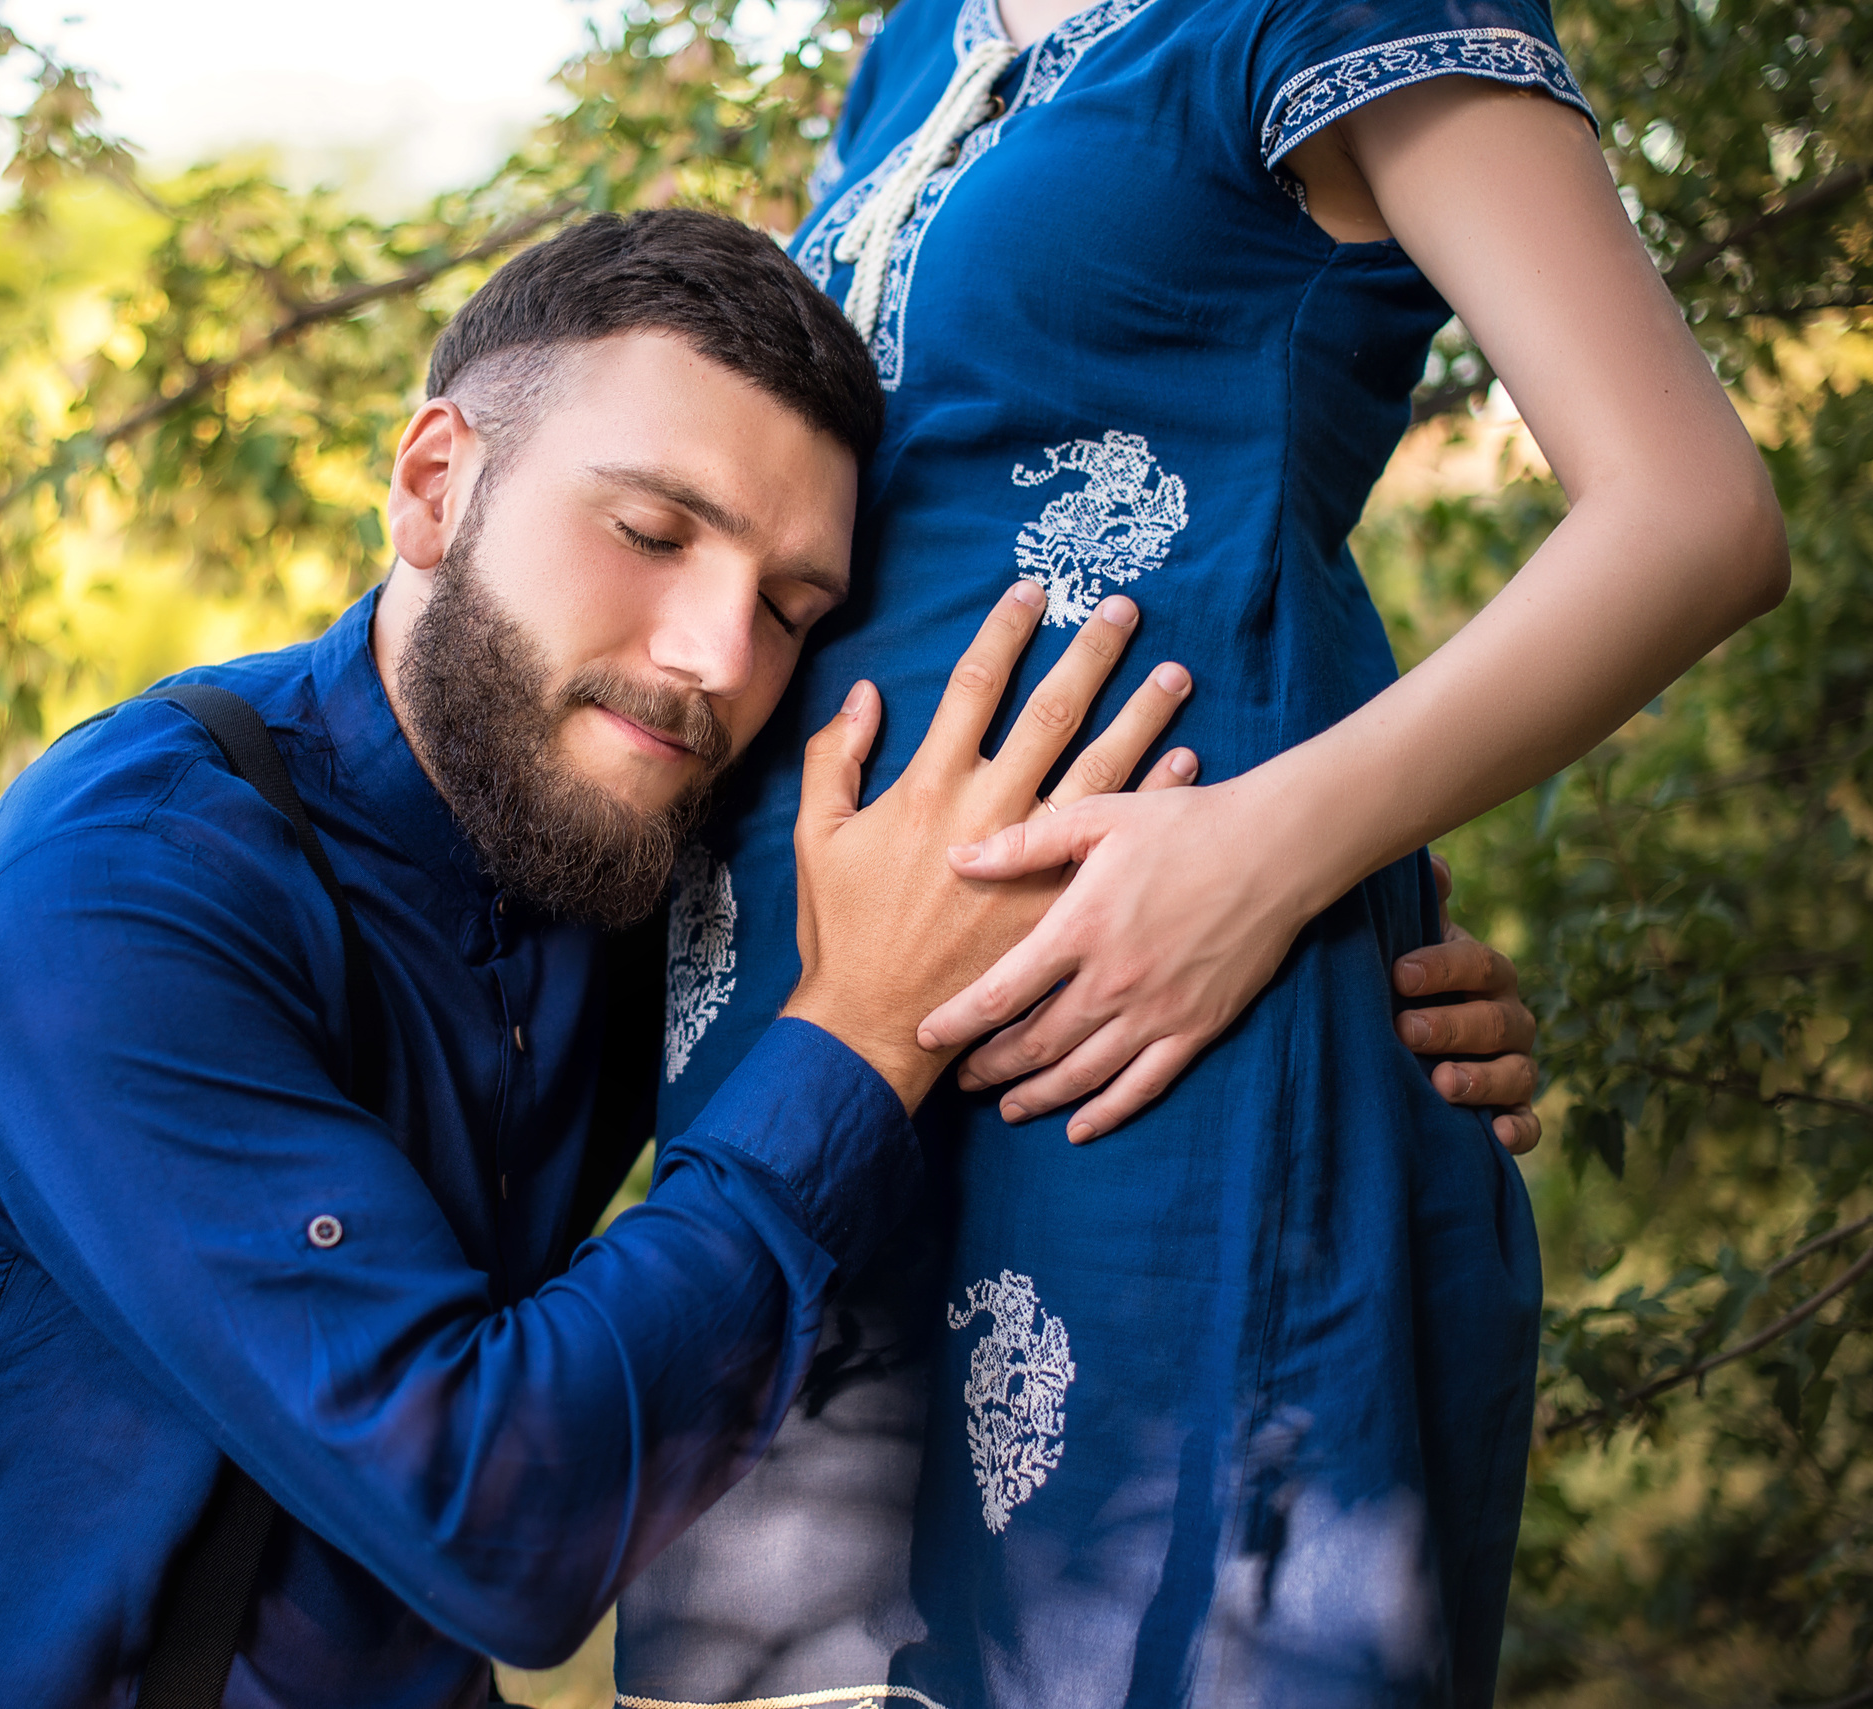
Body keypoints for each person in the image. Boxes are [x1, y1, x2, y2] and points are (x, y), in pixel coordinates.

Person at [0, 212, 1540, 1709]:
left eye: (792, 607)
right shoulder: (124, 891)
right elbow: (497, 1511)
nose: (710, 656)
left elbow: (985, 959)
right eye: (650, 531)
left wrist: (1321, 962)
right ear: (434, 482)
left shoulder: (632, 851)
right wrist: (850, 1031)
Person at [613, 1, 1789, 1705]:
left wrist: (1263, 853)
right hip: (810, 1086)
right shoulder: (917, 47)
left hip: (1148, 1048)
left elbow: (1691, 512)